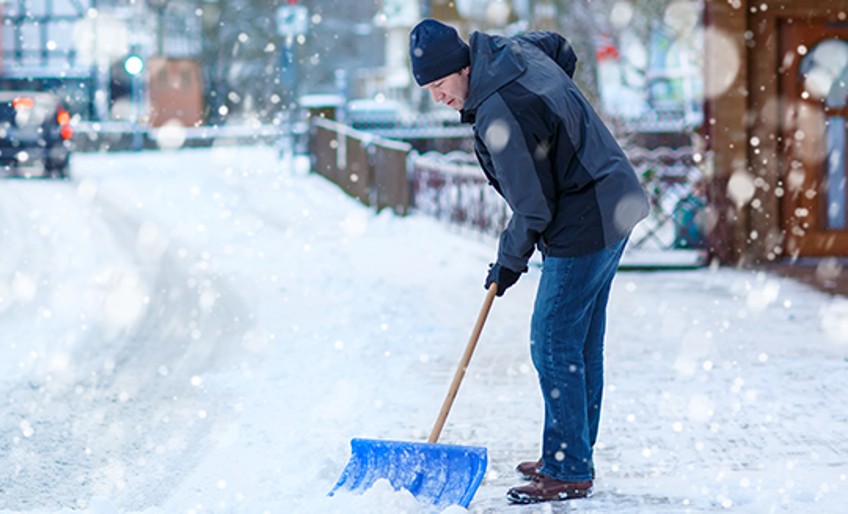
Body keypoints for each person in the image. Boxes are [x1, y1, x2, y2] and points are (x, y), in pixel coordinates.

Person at [408, 19, 649, 504]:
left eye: (439, 85)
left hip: (586, 219)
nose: (437, 97)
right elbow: (558, 47)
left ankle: (568, 466)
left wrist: (508, 261)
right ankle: (571, 451)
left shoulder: (501, 111)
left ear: (462, 67)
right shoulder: (510, 54)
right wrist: (558, 114)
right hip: (611, 198)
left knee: (553, 342)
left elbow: (533, 206)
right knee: (579, 343)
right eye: (429, 89)